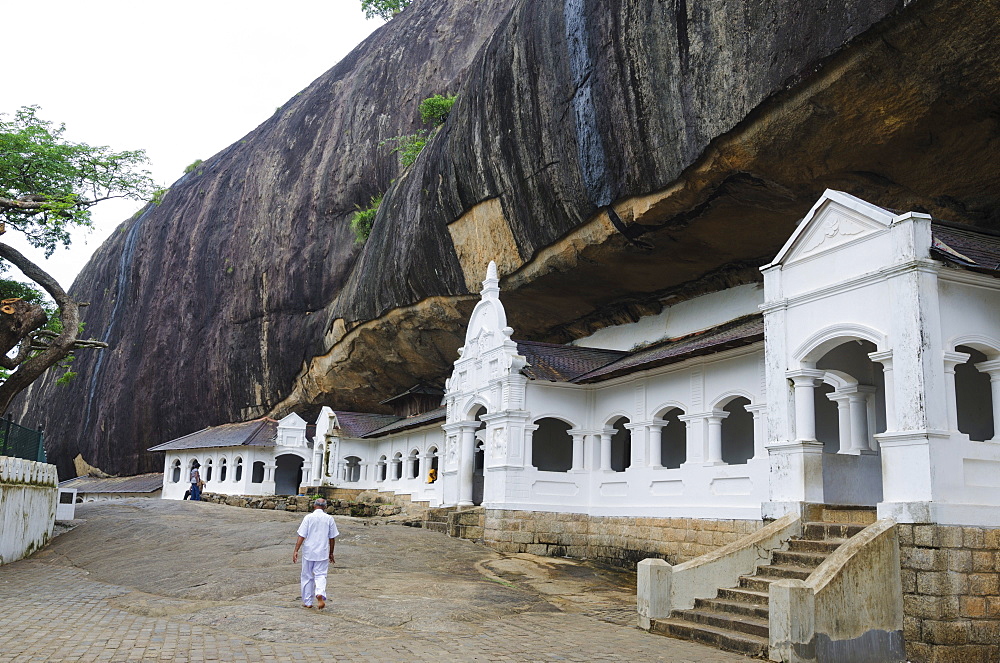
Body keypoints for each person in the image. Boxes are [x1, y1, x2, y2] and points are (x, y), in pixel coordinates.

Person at [292, 497, 339, 609]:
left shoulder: (308, 518)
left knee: (307, 576)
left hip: (309, 551)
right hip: (322, 551)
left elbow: (302, 535)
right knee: (321, 575)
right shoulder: (329, 519)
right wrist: (331, 552)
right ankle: (320, 593)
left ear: (314, 506)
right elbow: (332, 538)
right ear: (325, 507)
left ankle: (308, 602)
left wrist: (296, 550)